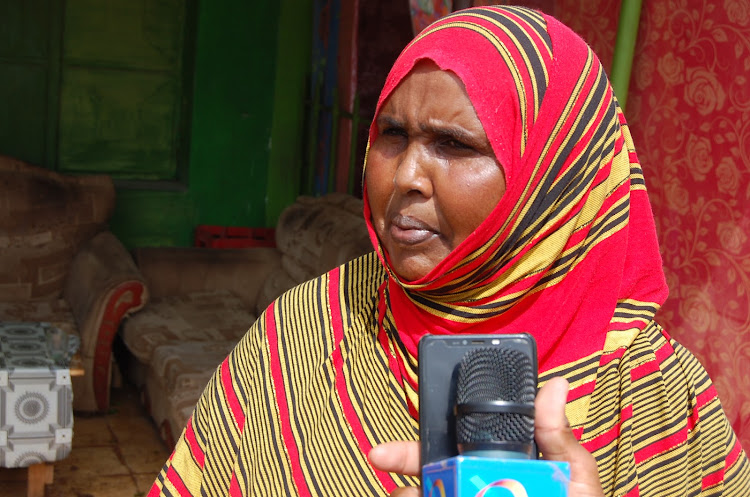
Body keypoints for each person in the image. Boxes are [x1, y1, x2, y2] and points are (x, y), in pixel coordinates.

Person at [148, 5, 750, 496]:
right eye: (392, 134)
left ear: (555, 180)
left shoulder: (656, 398)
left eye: (454, 145)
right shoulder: (305, 332)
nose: (405, 175)